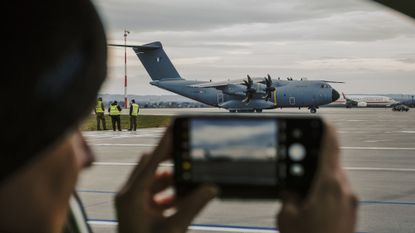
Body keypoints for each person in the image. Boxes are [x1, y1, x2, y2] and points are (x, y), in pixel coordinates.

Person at [1, 0, 358, 232]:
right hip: (203, 87)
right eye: (66, 128)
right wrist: (240, 88)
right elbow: (220, 87)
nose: (89, 155)